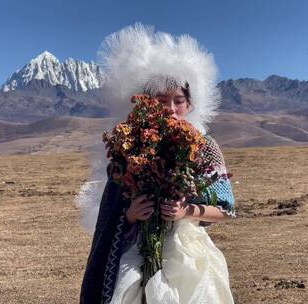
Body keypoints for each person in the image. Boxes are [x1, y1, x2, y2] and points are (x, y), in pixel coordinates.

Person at [78, 24, 236, 304]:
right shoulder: (127, 147)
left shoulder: (205, 147)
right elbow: (109, 213)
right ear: (145, 102)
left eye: (178, 100)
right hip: (135, 252)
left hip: (187, 255)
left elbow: (226, 210)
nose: (170, 109)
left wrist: (186, 210)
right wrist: (130, 215)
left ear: (190, 103)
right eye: (161, 100)